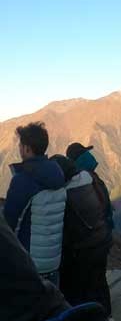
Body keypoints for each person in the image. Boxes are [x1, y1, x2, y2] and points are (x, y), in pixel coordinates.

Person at [49, 154, 112, 321]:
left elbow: (66, 230)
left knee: (80, 294)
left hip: (84, 249)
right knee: (95, 287)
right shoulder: (87, 182)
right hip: (100, 241)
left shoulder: (67, 194)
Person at [3, 122, 66, 286]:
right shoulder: (58, 173)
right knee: (51, 307)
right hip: (52, 260)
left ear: (27, 148)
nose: (19, 148)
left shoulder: (24, 180)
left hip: (29, 262)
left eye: (20, 145)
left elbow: (9, 225)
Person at [65, 142, 115, 321]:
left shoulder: (79, 184)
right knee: (100, 278)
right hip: (104, 235)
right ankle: (107, 315)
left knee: (90, 280)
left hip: (91, 240)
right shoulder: (94, 178)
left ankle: (99, 320)